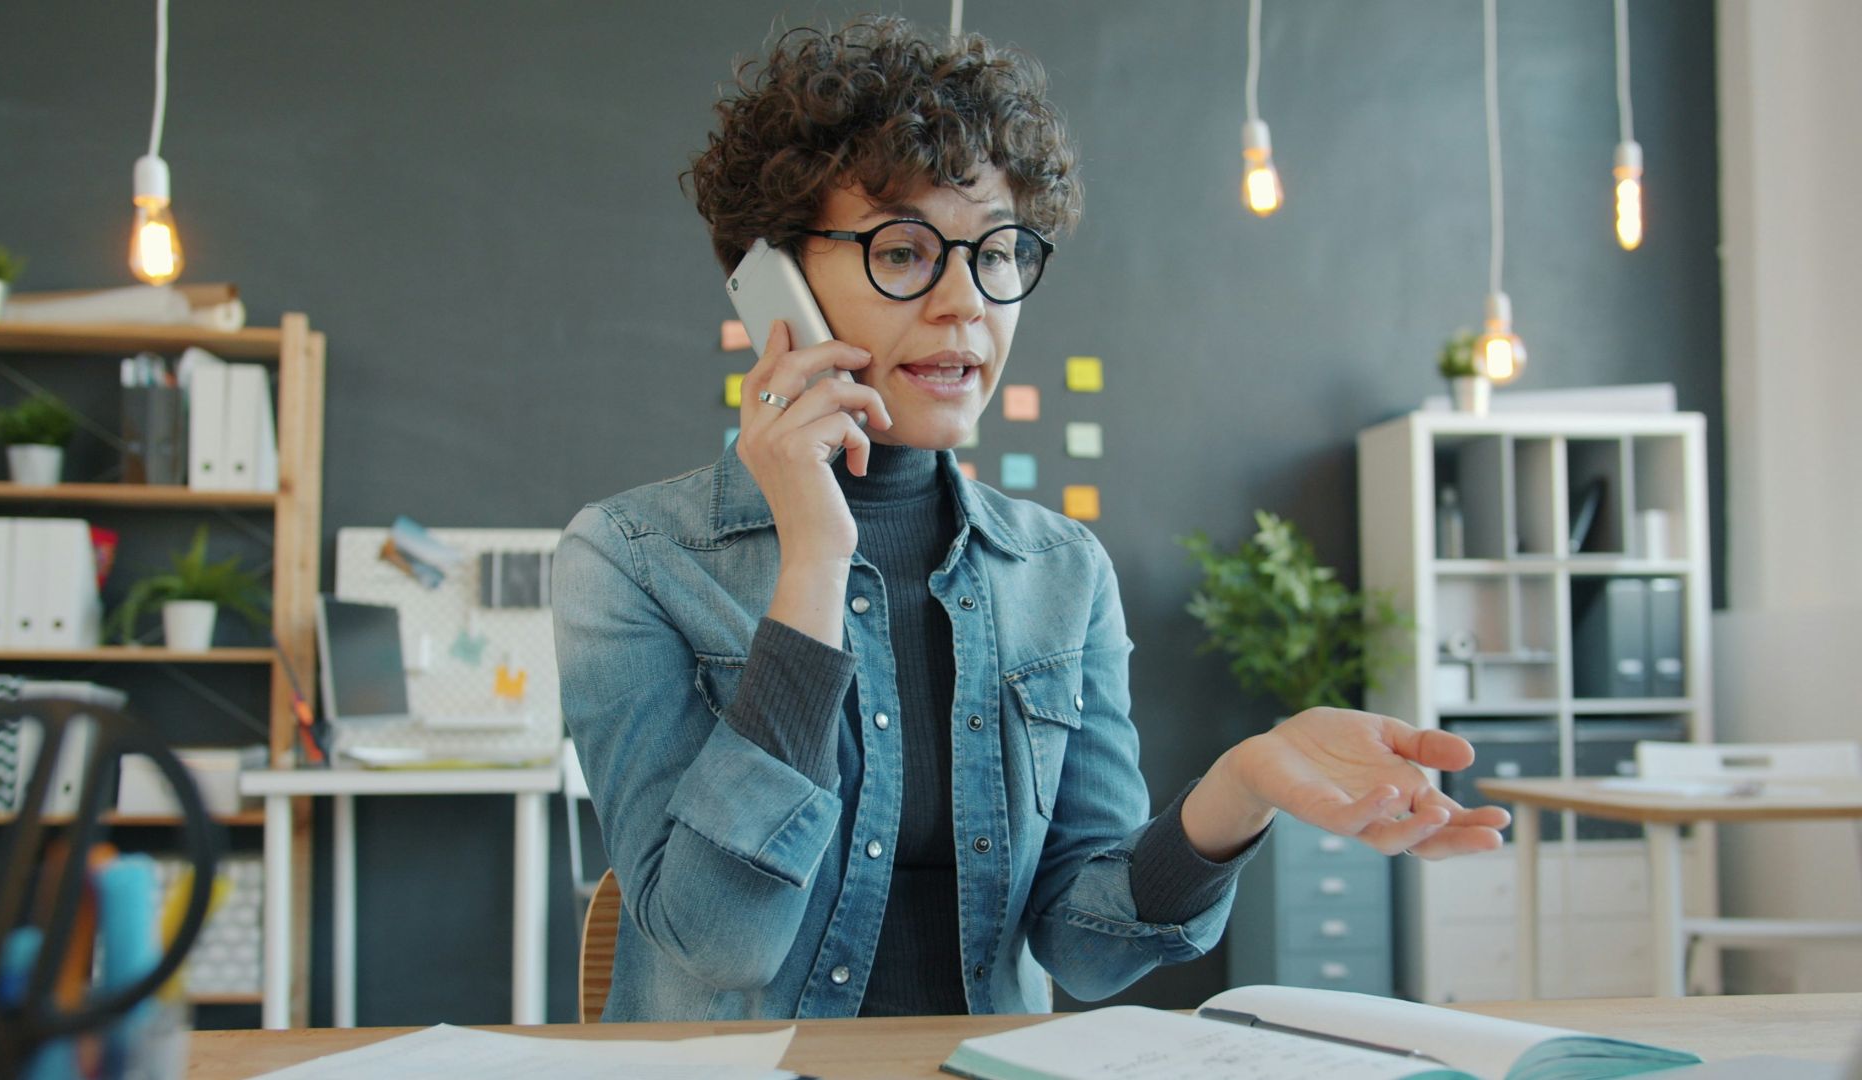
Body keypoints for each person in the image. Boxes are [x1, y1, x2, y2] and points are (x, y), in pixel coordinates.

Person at [552, 14, 1509, 1023]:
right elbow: (720, 940)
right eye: (905, 251)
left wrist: (1243, 785)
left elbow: (1086, 947)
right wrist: (814, 566)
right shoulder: (630, 561)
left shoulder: (1060, 571)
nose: (968, 301)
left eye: (998, 253)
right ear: (774, 284)